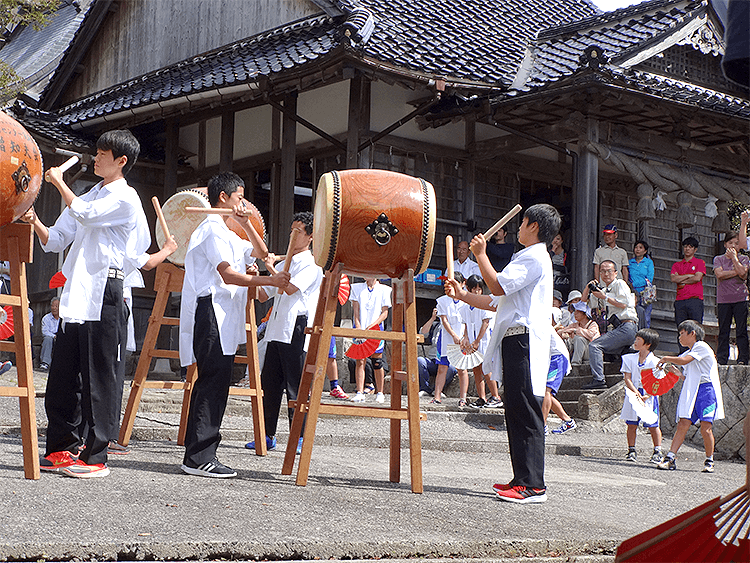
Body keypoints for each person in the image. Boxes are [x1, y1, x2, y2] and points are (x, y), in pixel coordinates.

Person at [23, 129, 149, 478]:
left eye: (102, 154)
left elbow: (86, 216)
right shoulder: (90, 194)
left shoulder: (126, 197)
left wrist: (59, 182)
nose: (96, 158)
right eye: (96, 152)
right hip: (76, 290)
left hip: (106, 289)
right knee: (64, 372)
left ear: (121, 161)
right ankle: (62, 447)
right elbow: (57, 239)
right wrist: (34, 221)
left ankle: (96, 456)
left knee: (99, 376)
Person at [447, 203, 560, 505]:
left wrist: (481, 254)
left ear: (533, 226)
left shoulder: (534, 257)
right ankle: (521, 478)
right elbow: (496, 301)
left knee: (526, 409)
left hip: (524, 340)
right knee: (515, 409)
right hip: (515, 339)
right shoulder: (527, 258)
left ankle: (533, 485)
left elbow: (497, 286)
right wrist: (462, 295)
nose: (519, 229)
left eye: (523, 224)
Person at [178, 172, 288, 478]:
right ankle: (199, 456)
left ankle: (199, 453)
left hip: (223, 315)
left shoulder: (228, 232)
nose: (244, 204)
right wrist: (270, 280)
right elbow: (228, 275)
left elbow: (262, 253)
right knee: (212, 381)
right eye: (240, 198)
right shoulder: (212, 229)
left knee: (215, 381)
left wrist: (245, 223)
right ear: (223, 198)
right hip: (211, 310)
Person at [247, 212, 322, 455]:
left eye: (298, 231)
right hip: (276, 328)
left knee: (295, 386)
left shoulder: (313, 265)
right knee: (270, 384)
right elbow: (263, 295)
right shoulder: (283, 263)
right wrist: (256, 275)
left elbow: (289, 288)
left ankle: (299, 435)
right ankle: (266, 434)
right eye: (291, 230)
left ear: (310, 236)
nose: (293, 235)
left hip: (296, 327)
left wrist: (271, 269)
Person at [656, 320, 724, 473]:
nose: (679, 337)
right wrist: (679, 374)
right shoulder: (689, 352)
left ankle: (709, 460)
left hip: (707, 392)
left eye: (681, 334)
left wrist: (666, 358)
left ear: (692, 333)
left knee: (706, 427)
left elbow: (684, 361)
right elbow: (687, 373)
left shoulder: (701, 346)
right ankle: (670, 458)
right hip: (693, 391)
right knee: (683, 423)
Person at [581, 259, 638, 390]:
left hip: (627, 326)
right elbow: (582, 303)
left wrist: (604, 297)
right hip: (620, 328)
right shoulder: (604, 290)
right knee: (609, 352)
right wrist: (587, 288)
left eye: (609, 271)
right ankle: (627, 352)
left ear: (616, 273)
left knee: (595, 345)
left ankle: (599, 379)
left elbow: (623, 303)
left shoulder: (620, 283)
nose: (606, 274)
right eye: (602, 271)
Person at [620, 328, 663, 464]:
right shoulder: (629, 358)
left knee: (652, 424)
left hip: (649, 394)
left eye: (638, 339)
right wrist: (636, 392)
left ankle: (657, 450)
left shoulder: (656, 361)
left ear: (647, 344)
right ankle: (631, 450)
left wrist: (648, 395)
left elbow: (659, 381)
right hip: (634, 393)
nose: (635, 341)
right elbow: (627, 378)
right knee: (631, 424)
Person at [349, 277, 392, 404]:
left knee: (377, 361)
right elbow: (355, 311)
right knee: (360, 361)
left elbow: (385, 313)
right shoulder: (357, 288)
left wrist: (374, 325)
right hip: (360, 327)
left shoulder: (384, 289)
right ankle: (359, 391)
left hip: (376, 327)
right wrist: (358, 328)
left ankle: (380, 392)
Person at [462, 275, 502, 409]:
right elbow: (466, 325)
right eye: (474, 289)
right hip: (472, 342)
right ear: (468, 289)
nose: (477, 292)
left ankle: (496, 396)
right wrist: (466, 338)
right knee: (476, 369)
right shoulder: (465, 307)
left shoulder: (484, 305)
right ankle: (482, 397)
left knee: (486, 369)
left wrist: (477, 341)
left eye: (479, 289)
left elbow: (485, 323)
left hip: (484, 341)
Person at [713, 231, 749, 365]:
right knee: (723, 330)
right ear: (725, 244)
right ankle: (722, 358)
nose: (733, 246)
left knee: (741, 330)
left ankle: (743, 359)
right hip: (723, 299)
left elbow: (743, 274)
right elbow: (719, 275)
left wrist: (734, 258)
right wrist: (737, 273)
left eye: (736, 243)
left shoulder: (744, 259)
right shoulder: (718, 259)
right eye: (730, 243)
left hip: (741, 298)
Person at [434, 272, 469, 406]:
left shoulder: (467, 300)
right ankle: (437, 396)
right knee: (442, 367)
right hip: (446, 338)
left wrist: (464, 336)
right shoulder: (442, 300)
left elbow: (468, 321)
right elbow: (444, 320)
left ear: (462, 284)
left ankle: (463, 398)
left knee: (462, 369)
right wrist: (454, 335)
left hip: (462, 339)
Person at [670, 236, 705, 352]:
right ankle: (682, 353)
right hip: (680, 300)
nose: (687, 249)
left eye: (690, 247)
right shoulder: (677, 265)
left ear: (695, 250)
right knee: (681, 328)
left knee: (696, 328)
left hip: (695, 300)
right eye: (685, 246)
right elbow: (674, 278)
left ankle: (696, 352)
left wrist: (683, 281)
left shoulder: (700, 262)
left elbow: (697, 277)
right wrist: (689, 276)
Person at [545, 322, 576, 436]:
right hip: (550, 358)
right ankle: (568, 421)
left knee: (546, 392)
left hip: (556, 357)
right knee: (546, 393)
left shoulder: (540, 322)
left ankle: (542, 426)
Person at [557, 301, 600, 366]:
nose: (575, 314)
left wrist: (575, 331)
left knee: (579, 338)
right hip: (576, 352)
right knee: (566, 340)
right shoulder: (575, 324)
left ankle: (575, 363)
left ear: (585, 314)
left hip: (590, 353)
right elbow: (560, 332)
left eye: (578, 312)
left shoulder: (593, 325)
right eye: (575, 312)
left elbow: (591, 335)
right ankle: (563, 363)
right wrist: (564, 334)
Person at [629, 240, 655, 329]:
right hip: (632, 292)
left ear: (645, 251)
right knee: (633, 314)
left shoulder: (648, 262)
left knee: (646, 316)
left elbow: (649, 279)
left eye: (640, 248)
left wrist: (634, 283)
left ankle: (645, 336)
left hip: (645, 292)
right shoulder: (630, 262)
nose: (637, 250)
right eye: (636, 247)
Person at [39, 297, 60, 371]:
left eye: (56, 306)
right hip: (52, 337)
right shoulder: (46, 318)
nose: (54, 308)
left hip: (61, 337)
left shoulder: (64, 318)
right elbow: (45, 331)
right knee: (47, 339)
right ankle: (45, 363)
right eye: (52, 306)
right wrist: (54, 336)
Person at [549, 233, 570, 299]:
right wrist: (552, 251)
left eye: (558, 239)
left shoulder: (566, 253)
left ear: (561, 241)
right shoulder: (547, 252)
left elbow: (567, 268)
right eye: (553, 239)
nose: (555, 241)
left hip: (561, 281)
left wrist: (554, 266)